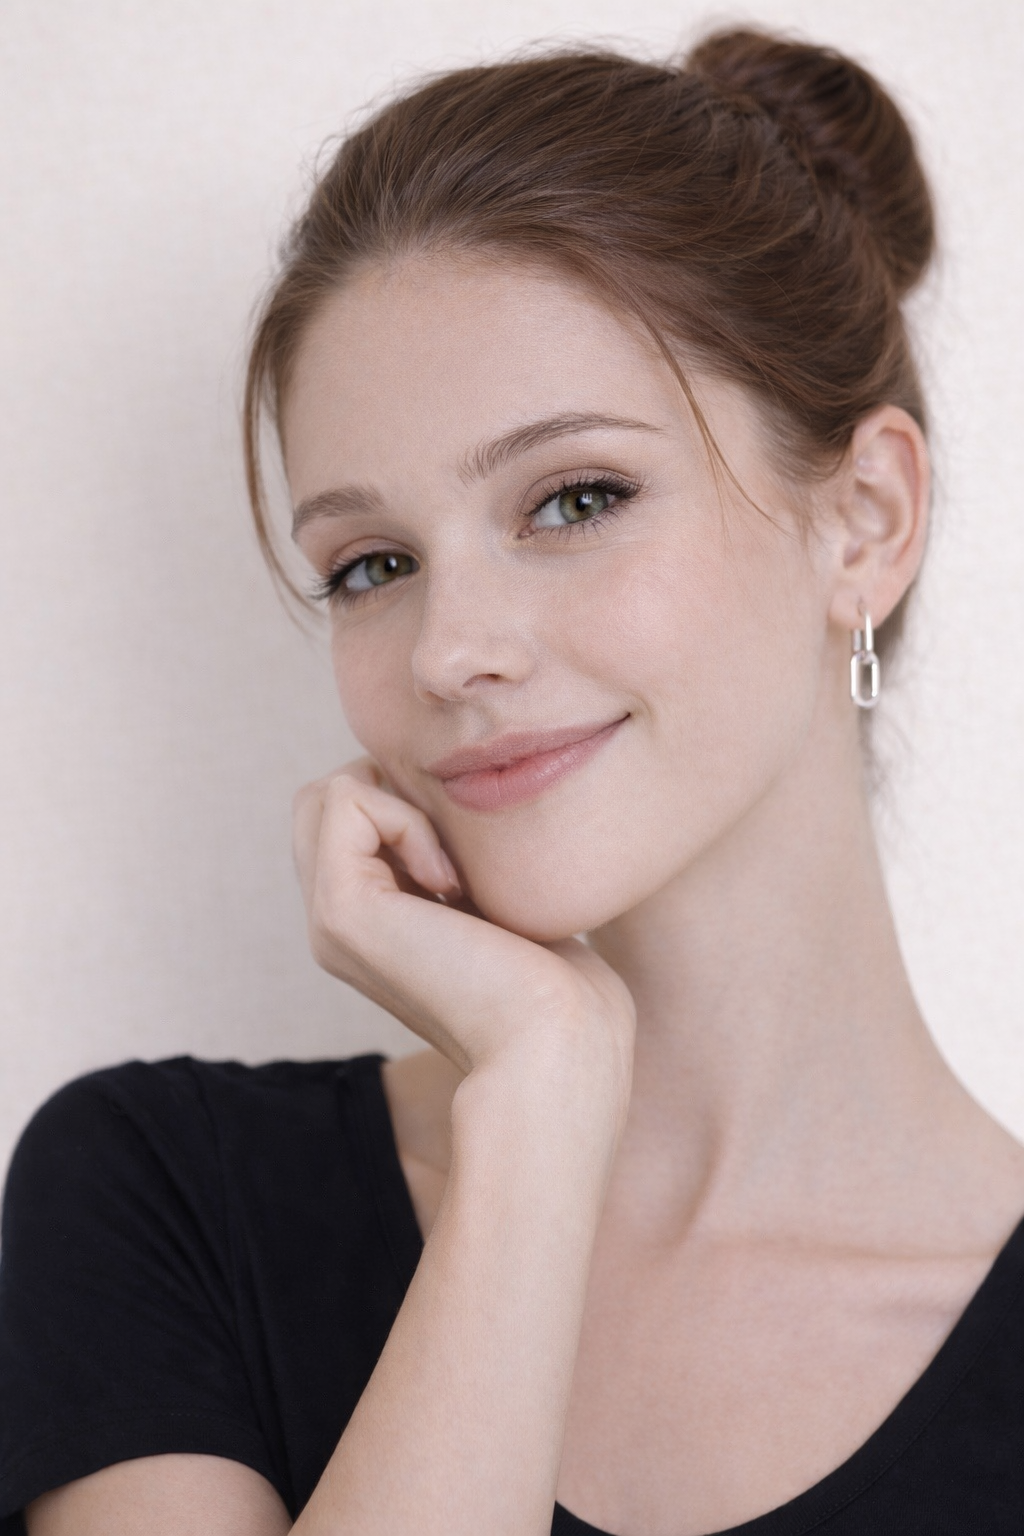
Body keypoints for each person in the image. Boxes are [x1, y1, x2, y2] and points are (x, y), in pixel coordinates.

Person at [1, 23, 1023, 1536]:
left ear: (864, 519)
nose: (448, 650)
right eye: (373, 564)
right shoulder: (162, 1195)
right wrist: (540, 1110)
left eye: (576, 498)